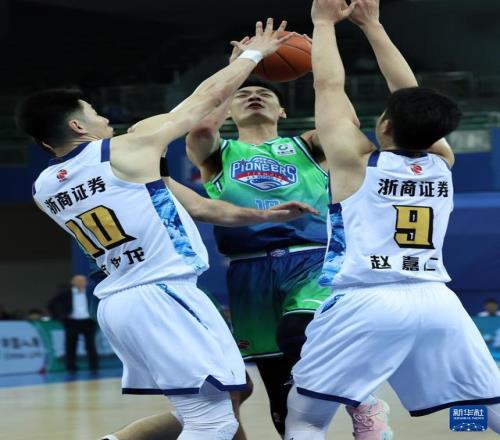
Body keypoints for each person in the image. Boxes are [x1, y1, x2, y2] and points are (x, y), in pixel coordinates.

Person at [17, 19, 317, 440]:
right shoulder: (124, 151)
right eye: (97, 116)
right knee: (212, 421)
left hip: (120, 302)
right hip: (162, 294)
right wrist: (250, 57)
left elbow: (199, 207)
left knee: (232, 393)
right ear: (77, 127)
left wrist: (265, 217)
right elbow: (201, 103)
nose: (107, 121)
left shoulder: (43, 188)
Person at [101, 30, 388, 440]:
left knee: (299, 334)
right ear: (229, 111)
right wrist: (239, 67)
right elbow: (201, 123)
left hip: (310, 259)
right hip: (248, 270)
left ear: (283, 110)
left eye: (265, 94)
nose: (254, 96)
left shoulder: (307, 145)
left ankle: (363, 400)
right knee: (277, 384)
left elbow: (342, 121)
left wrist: (319, 61)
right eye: (243, 95)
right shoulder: (218, 153)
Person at [284, 1, 500, 438]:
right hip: (436, 300)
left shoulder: (355, 163)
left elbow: (328, 85)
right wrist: (373, 26)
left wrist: (323, 23)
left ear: (384, 125)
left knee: (307, 416)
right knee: (487, 406)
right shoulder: (442, 162)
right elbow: (411, 95)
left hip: (367, 298)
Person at [48, 274, 98, 374]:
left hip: (89, 321)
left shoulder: (92, 293)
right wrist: (59, 316)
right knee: (70, 345)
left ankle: (94, 367)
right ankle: (71, 367)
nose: (80, 283)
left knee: (90, 345)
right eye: (78, 281)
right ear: (72, 282)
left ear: (86, 282)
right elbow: (51, 304)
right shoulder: (65, 293)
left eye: (82, 281)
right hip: (71, 322)